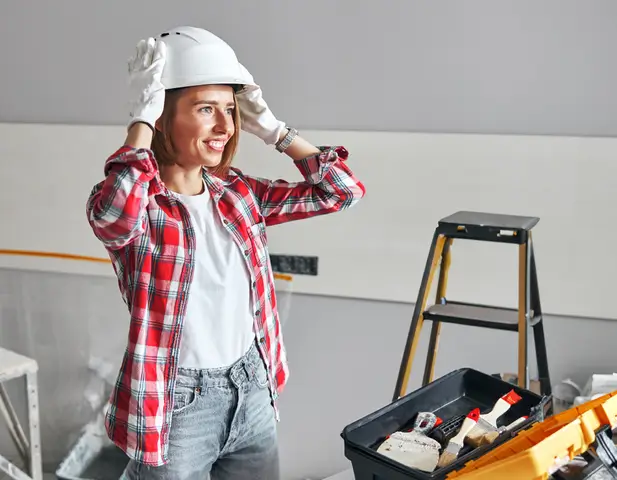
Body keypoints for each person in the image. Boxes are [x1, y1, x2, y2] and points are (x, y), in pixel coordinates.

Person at [86, 26, 365, 480]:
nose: (226, 126)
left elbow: (341, 191)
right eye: (205, 109)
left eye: (230, 110)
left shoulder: (238, 193)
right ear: (161, 116)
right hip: (178, 406)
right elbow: (113, 216)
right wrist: (140, 119)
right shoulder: (143, 208)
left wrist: (275, 131)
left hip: (252, 388)